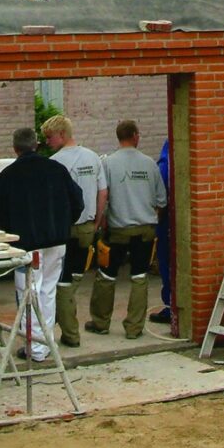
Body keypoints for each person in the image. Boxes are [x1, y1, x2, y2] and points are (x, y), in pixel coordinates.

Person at [0, 126, 84, 363]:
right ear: (36, 145)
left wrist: (9, 236)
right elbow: (77, 201)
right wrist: (64, 225)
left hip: (26, 245)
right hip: (56, 241)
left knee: (28, 293)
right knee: (48, 291)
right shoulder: (57, 170)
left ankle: (35, 348)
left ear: (15, 148)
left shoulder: (8, 176)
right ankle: (45, 343)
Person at [87, 120, 167, 339]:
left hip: (117, 230)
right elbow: (161, 200)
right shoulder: (150, 164)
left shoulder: (108, 164)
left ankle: (101, 322)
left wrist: (100, 221)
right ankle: (134, 328)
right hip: (145, 230)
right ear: (134, 136)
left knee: (107, 275)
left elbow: (103, 196)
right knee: (139, 277)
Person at [41, 115, 108, 349]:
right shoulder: (93, 157)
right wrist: (97, 220)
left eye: (49, 137)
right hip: (88, 226)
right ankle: (65, 321)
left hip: (65, 229)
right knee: (76, 276)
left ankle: (70, 332)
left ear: (61, 134)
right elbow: (102, 192)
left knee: (63, 282)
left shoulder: (55, 162)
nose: (47, 142)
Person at [150, 137, 173, 325]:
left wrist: (158, 216)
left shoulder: (165, 161)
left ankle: (171, 306)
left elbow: (161, 192)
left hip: (167, 220)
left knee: (167, 261)